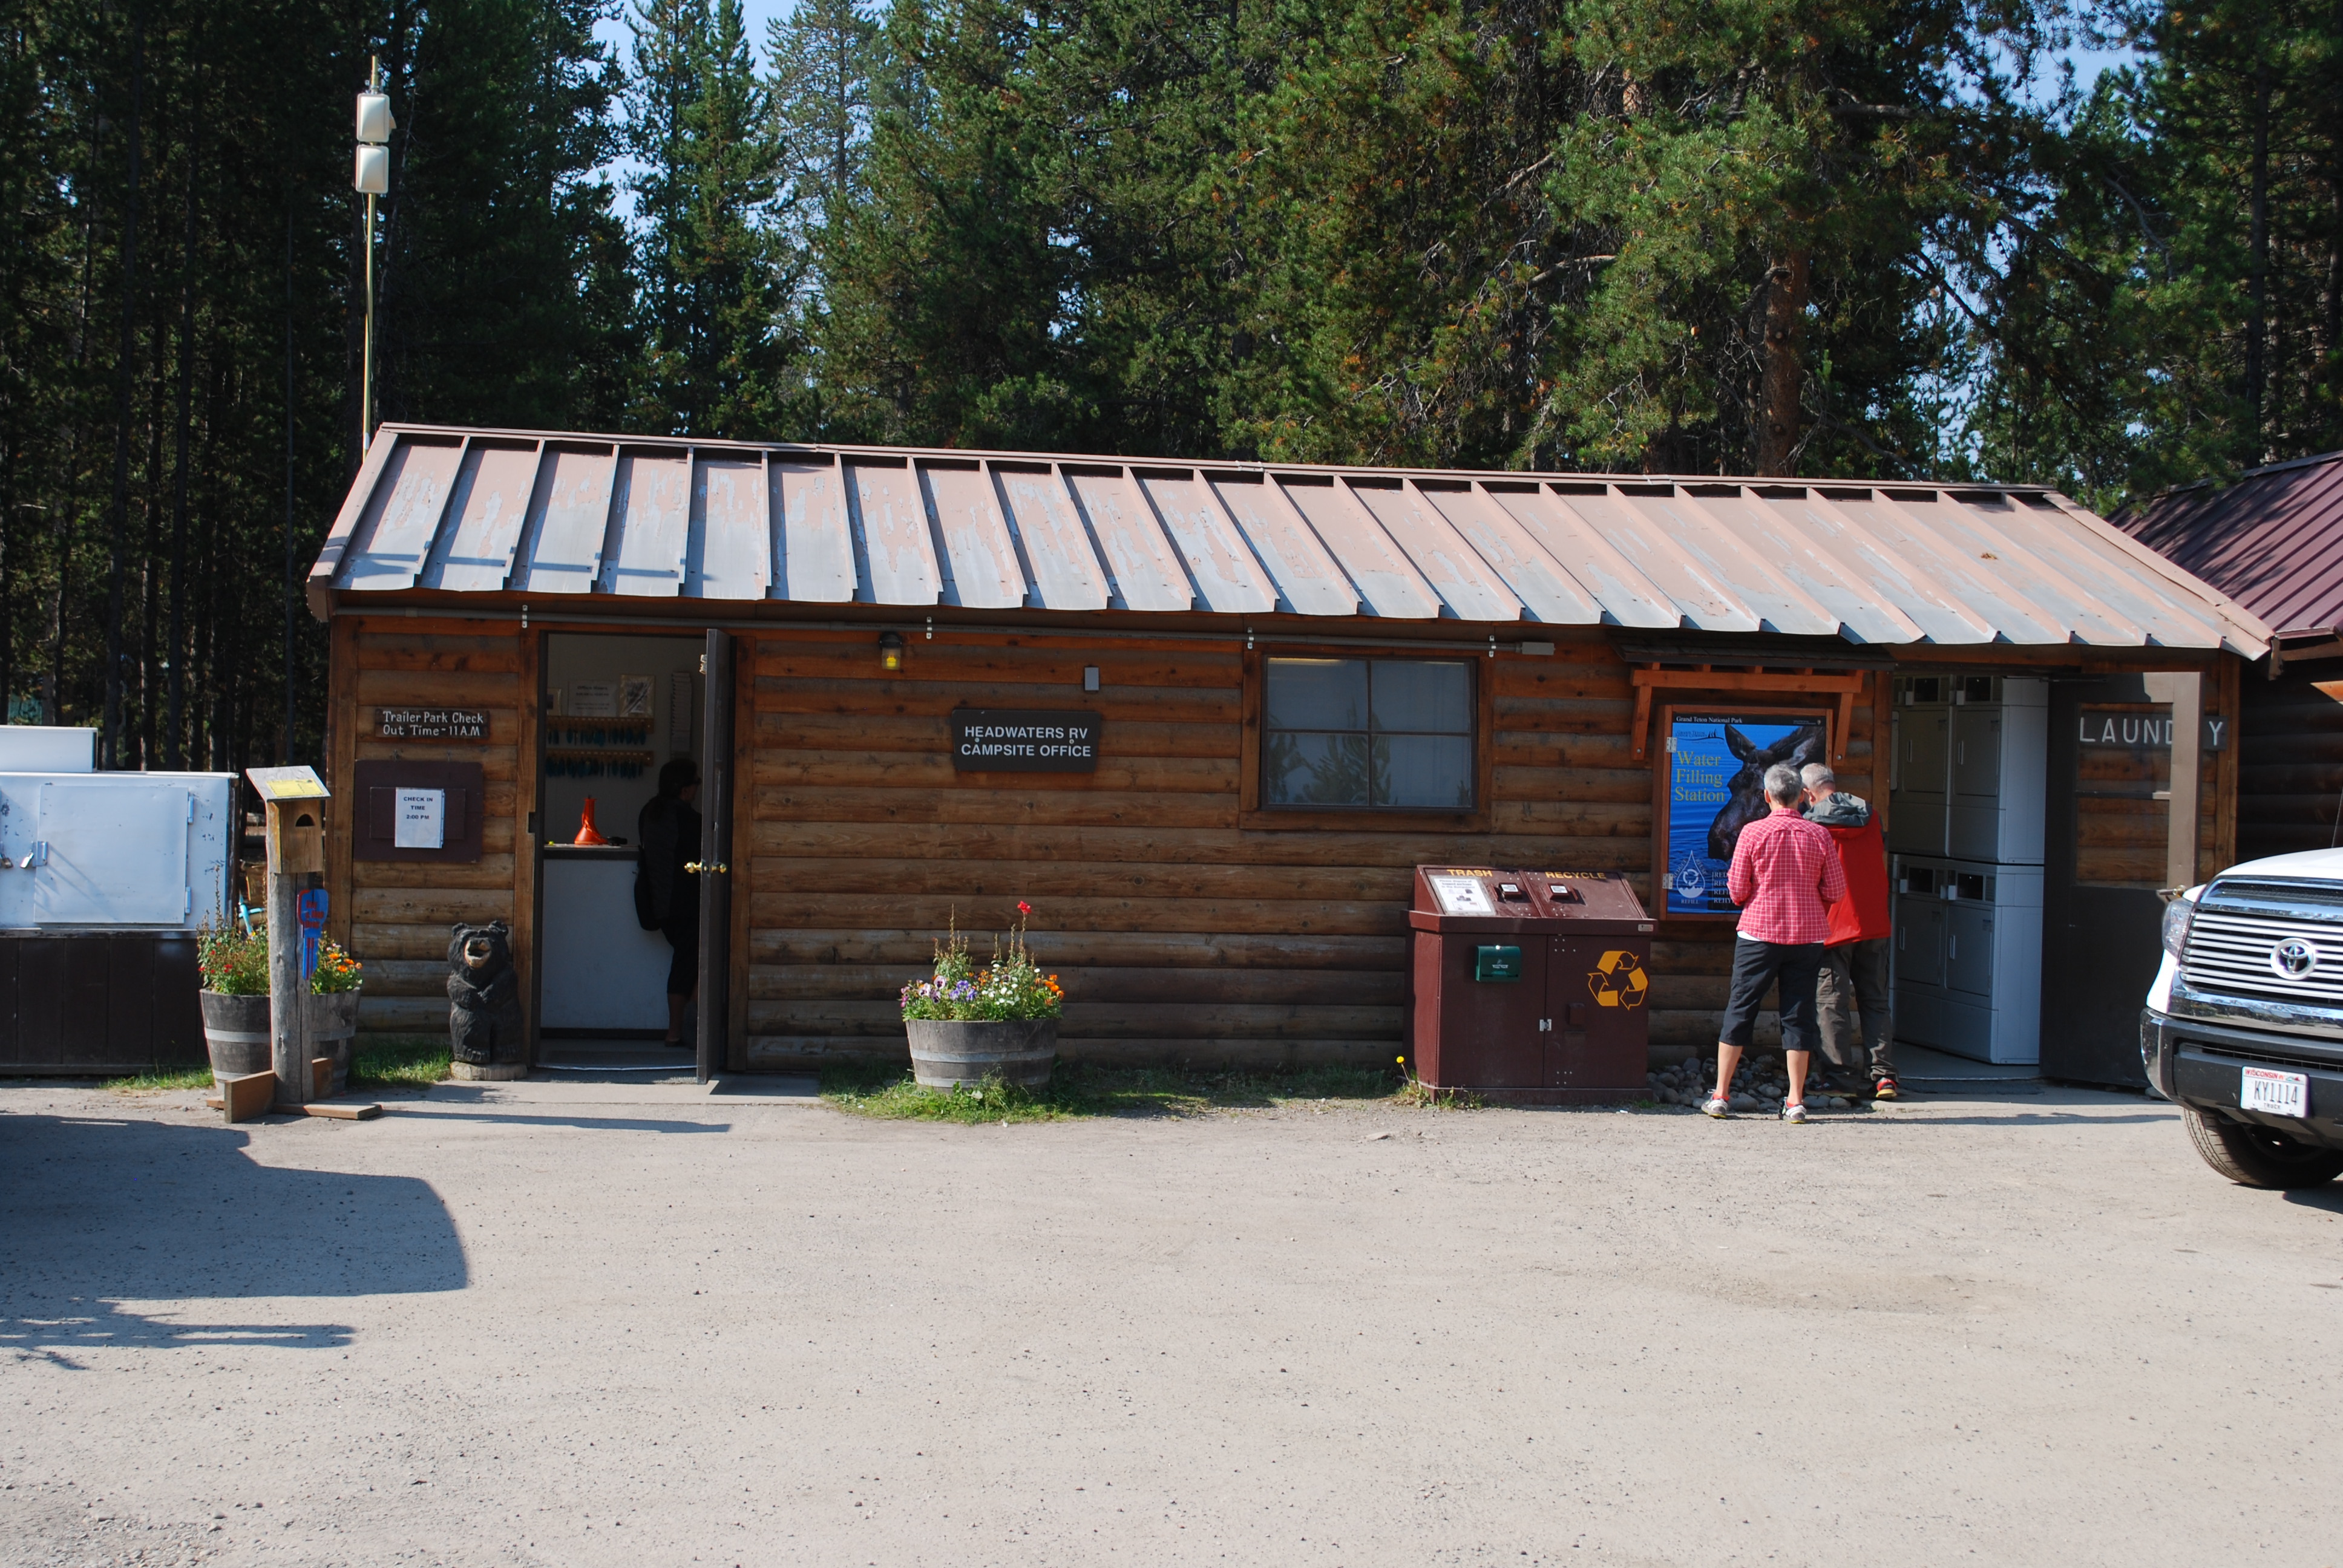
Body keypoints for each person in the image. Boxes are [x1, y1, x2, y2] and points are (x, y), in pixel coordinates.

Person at [1705, 760, 1846, 1124]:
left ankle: (1721, 1095)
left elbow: (1736, 891)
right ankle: (1796, 1101)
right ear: (1801, 797)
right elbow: (1836, 890)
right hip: (1807, 935)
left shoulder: (1752, 835)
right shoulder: (1820, 836)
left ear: (1767, 796)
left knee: (1741, 1009)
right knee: (1799, 1015)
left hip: (1759, 935)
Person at [1800, 762, 1898, 1099]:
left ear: (1807, 793)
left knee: (1831, 1002)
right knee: (1875, 1000)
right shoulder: (1870, 815)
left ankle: (1839, 1077)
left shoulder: (1813, 824)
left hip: (1833, 925)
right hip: (1874, 922)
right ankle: (1884, 1077)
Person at [637, 758, 702, 1049]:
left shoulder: (648, 812)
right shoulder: (688, 820)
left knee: (690, 962)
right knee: (691, 964)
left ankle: (685, 1030)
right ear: (686, 790)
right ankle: (678, 1032)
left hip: (659, 904)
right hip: (685, 903)